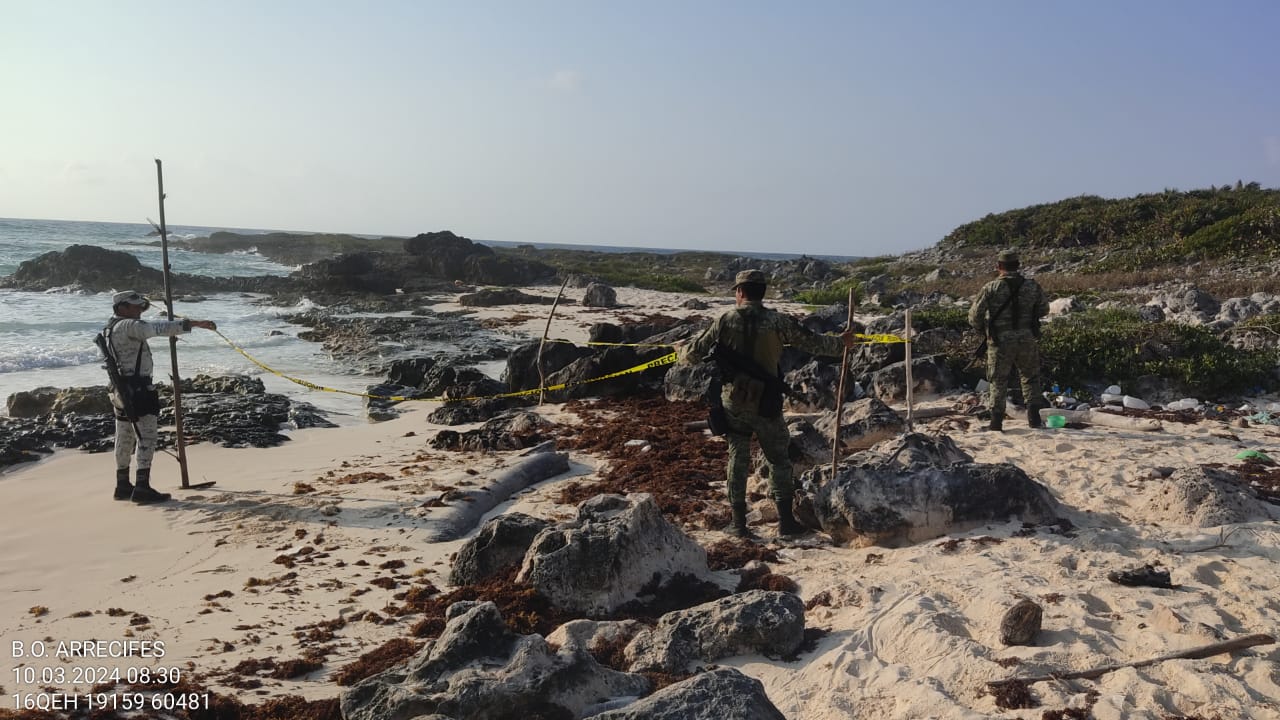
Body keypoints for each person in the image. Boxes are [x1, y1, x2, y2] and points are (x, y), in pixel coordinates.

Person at [683, 269, 859, 538]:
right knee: (779, 460)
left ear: (740, 292)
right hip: (767, 400)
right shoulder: (778, 321)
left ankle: (739, 523)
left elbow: (693, 355)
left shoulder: (724, 320)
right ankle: (786, 522)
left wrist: (679, 350)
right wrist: (842, 343)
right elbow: (813, 342)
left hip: (735, 401)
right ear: (762, 292)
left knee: (737, 459)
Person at [99, 291, 217, 503]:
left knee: (124, 436)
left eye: (139, 306)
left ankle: (123, 485)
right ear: (121, 308)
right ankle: (142, 487)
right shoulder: (128, 325)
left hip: (119, 390)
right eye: (134, 306)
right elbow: (156, 329)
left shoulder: (109, 328)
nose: (138, 310)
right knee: (147, 436)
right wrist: (195, 324)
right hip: (138, 389)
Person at [967, 250, 1050, 432]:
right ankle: (1034, 420)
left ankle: (996, 422)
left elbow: (974, 317)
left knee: (998, 380)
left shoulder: (991, 287)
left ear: (999, 267)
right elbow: (1044, 309)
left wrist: (985, 329)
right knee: (1030, 377)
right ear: (1018, 265)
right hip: (1026, 337)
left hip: (999, 340)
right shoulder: (1031, 286)